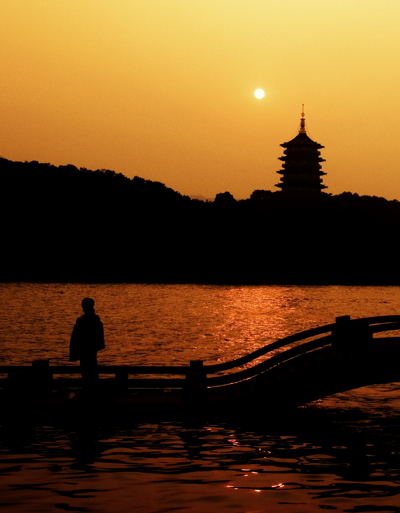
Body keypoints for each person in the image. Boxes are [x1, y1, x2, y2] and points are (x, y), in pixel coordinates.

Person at [69, 297, 105, 387]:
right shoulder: (95, 320)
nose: (82, 307)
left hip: (85, 349)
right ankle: (91, 389)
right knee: (91, 370)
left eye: (83, 305)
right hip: (91, 349)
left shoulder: (83, 320)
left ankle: (88, 390)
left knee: (87, 371)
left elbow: (76, 337)